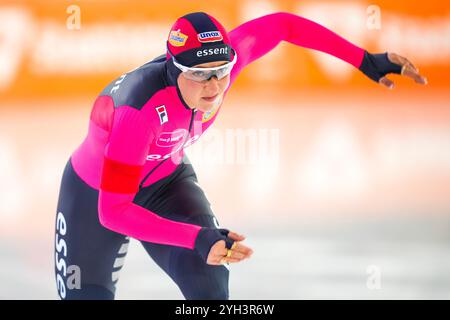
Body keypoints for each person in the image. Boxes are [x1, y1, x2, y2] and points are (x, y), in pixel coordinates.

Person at [54, 11, 428, 300]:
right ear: (174, 69)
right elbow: (114, 211)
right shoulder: (138, 110)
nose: (215, 86)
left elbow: (285, 26)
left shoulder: (228, 64)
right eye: (201, 75)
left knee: (210, 284)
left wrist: (364, 60)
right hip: (94, 195)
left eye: (221, 71)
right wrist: (197, 236)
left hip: (164, 183)